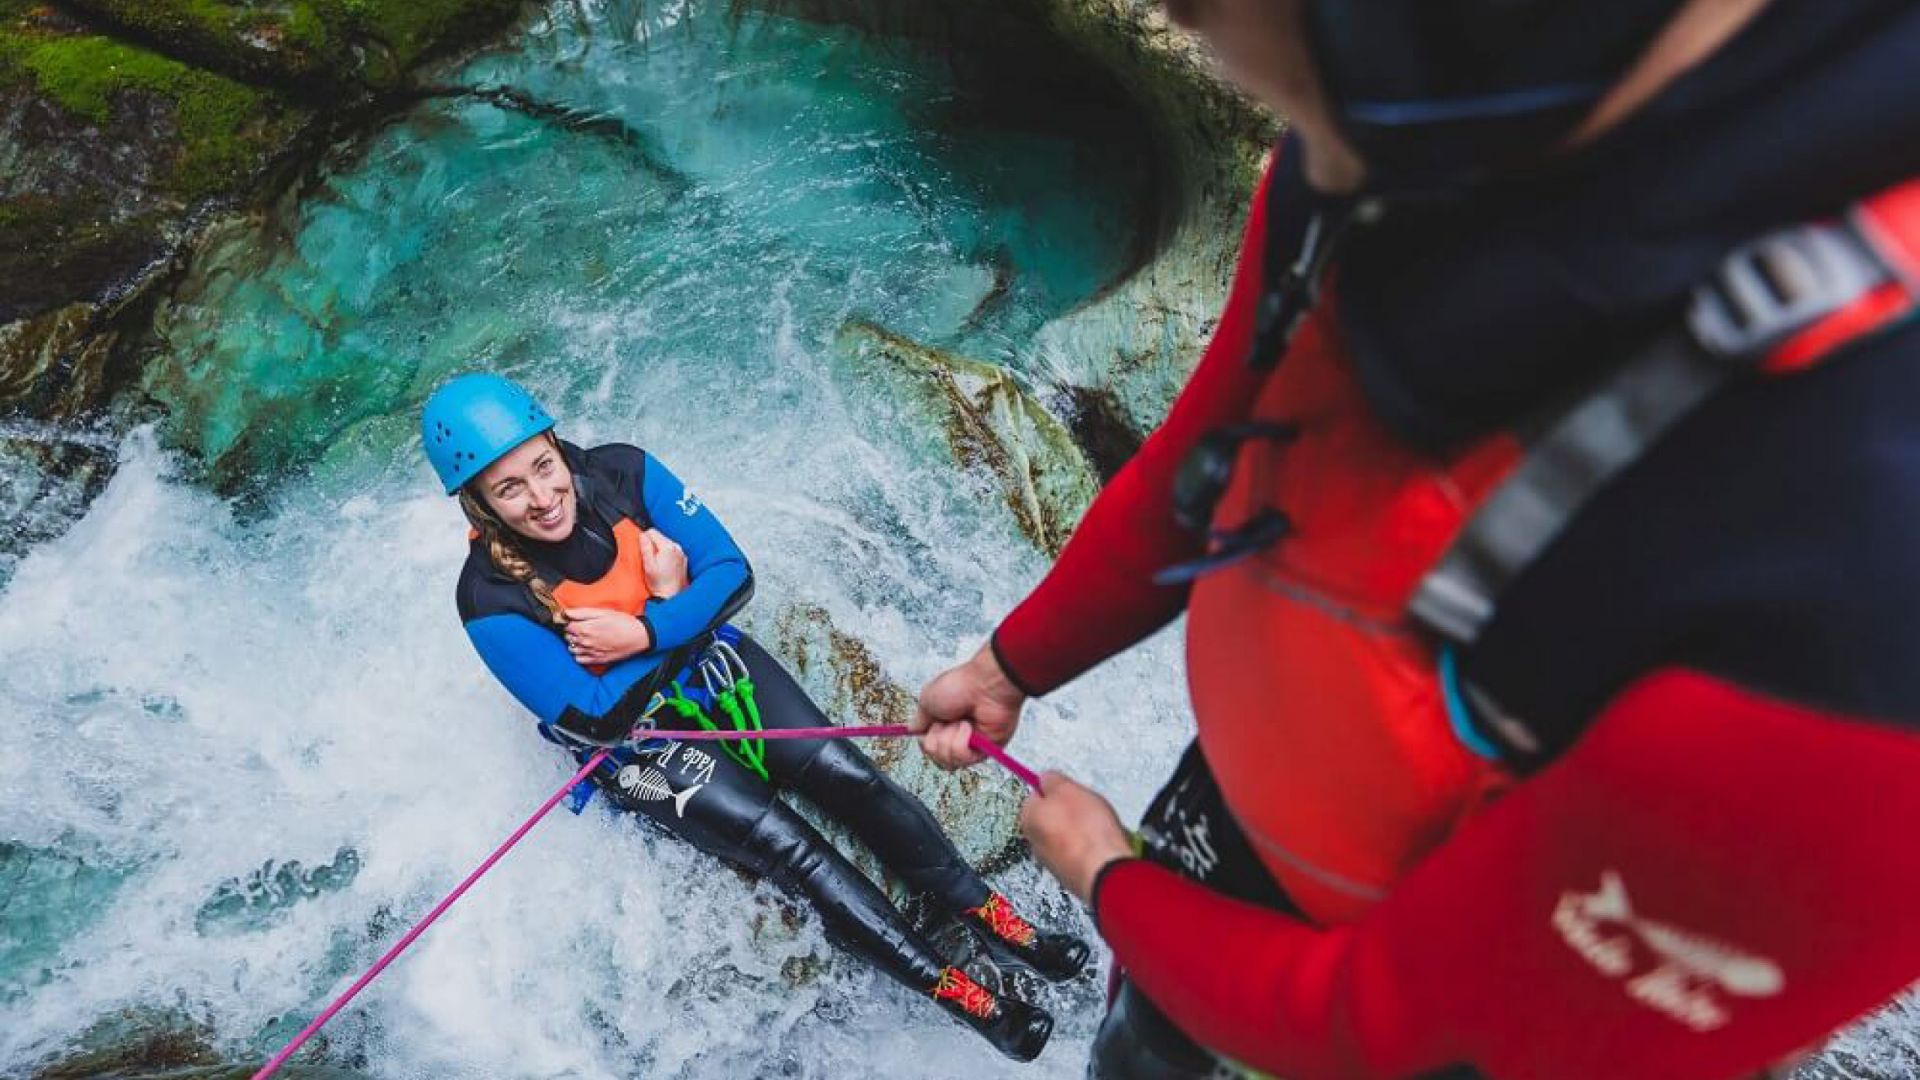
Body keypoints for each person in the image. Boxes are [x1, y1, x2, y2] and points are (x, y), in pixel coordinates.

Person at [912, 1, 1920, 1077]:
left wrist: (1113, 882)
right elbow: (1220, 460)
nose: (1179, 25)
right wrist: (1012, 663)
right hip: (1230, 856)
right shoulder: (1395, 148)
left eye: (1204, 16)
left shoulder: (1864, 599)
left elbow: (1402, 1030)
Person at [420, 373, 1090, 1062]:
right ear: (481, 506)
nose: (541, 497)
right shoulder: (488, 599)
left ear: (557, 444)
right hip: (639, 747)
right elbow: (597, 719)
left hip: (711, 668)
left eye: (542, 467)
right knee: (787, 845)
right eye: (510, 489)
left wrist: (648, 629)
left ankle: (1000, 923)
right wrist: (679, 603)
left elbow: (733, 572)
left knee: (846, 776)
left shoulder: (623, 471)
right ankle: (963, 997)